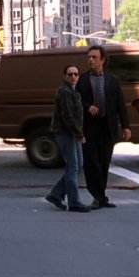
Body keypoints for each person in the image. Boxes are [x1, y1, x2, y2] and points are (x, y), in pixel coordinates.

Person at [76, 45, 131, 210]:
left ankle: (101, 197)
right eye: (89, 57)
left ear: (103, 60)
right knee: (92, 163)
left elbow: (120, 104)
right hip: (89, 127)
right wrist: (87, 107)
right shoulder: (82, 79)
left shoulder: (112, 80)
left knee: (104, 162)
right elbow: (76, 100)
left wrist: (126, 126)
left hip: (107, 127)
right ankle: (98, 197)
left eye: (94, 57)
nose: (90, 60)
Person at [45, 64, 92, 213]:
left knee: (78, 165)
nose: (73, 77)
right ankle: (74, 202)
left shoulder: (72, 91)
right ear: (64, 76)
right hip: (66, 132)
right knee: (73, 166)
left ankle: (56, 194)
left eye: (76, 74)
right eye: (70, 74)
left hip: (71, 132)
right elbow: (68, 116)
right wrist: (79, 134)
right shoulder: (65, 91)